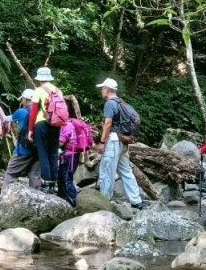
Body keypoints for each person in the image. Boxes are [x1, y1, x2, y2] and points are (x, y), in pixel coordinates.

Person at [94, 78, 144, 209]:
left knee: (107, 172)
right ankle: (136, 201)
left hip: (114, 141)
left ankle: (104, 202)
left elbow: (108, 124)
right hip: (124, 141)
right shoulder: (122, 102)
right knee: (126, 171)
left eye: (102, 88)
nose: (101, 90)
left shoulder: (110, 103)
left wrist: (101, 142)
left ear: (108, 90)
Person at [27, 67, 62, 193]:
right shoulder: (58, 91)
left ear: (39, 79)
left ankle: (46, 185)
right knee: (53, 154)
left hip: (42, 124)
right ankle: (53, 184)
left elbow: (33, 112)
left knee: (43, 155)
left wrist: (30, 130)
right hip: (56, 125)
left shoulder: (39, 91)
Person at [3, 89, 43, 190]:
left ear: (25, 99)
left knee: (11, 173)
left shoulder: (21, 111)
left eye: (22, 99)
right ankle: (37, 200)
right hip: (39, 150)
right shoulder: (42, 112)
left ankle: (5, 199)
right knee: (34, 175)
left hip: (24, 149)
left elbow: (8, 119)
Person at [57, 108, 82, 207]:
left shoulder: (67, 125)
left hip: (69, 156)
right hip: (73, 154)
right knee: (62, 177)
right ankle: (62, 198)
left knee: (66, 178)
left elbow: (61, 142)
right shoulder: (72, 123)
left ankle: (73, 201)